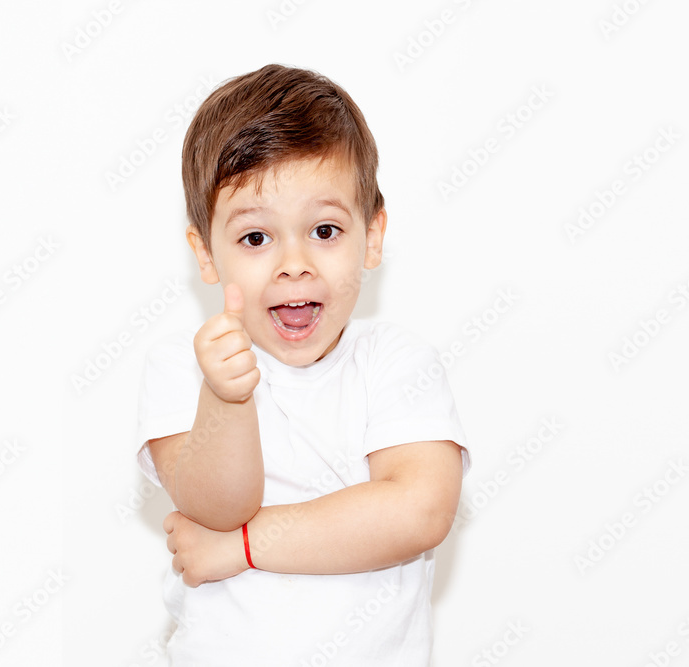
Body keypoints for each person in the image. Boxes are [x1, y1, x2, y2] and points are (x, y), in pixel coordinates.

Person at [135, 63, 470, 666]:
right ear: (205, 253)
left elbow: (420, 510)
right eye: (256, 239)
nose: (294, 264)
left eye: (323, 229)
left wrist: (241, 547)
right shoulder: (184, 368)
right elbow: (216, 506)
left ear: (372, 235)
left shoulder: (395, 362)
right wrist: (226, 398)